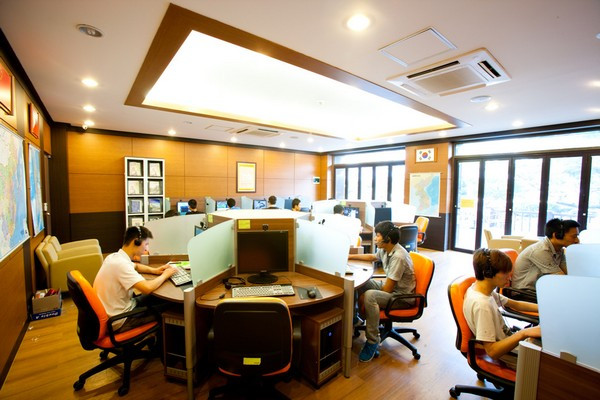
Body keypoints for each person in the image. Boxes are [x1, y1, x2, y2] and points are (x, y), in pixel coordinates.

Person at [347, 221, 416, 362]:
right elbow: (372, 257)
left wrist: (365, 298)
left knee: (370, 296)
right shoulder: (386, 249)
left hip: (402, 297)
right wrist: (349, 256)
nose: (375, 238)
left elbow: (387, 289)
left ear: (387, 239)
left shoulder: (398, 256)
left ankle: (372, 341)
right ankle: (355, 318)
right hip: (392, 289)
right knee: (359, 283)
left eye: (377, 236)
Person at [464, 248, 540, 370]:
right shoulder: (482, 305)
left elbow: (516, 304)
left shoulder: (483, 290)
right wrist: (523, 333)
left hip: (514, 344)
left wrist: (544, 309)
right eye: (505, 274)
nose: (509, 278)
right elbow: (492, 351)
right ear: (488, 273)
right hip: (514, 356)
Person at [93, 226, 178, 332]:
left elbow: (136, 266)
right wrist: (165, 275)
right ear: (136, 242)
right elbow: (146, 288)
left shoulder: (115, 257)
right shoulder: (121, 264)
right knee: (172, 308)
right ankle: (161, 341)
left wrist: (155, 271)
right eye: (146, 244)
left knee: (158, 299)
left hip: (119, 309)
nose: (147, 249)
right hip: (121, 320)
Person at [511, 218, 580, 299]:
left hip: (539, 291)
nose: (577, 240)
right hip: (524, 294)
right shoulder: (541, 251)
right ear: (556, 235)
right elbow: (561, 279)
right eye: (574, 236)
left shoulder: (559, 250)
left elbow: (568, 272)